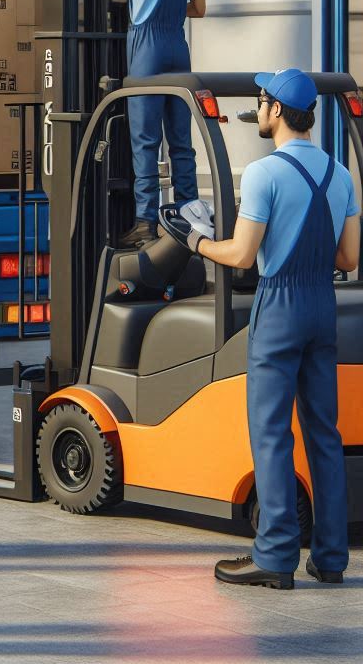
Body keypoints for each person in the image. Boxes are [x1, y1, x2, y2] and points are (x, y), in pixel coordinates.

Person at [187, 69, 358, 588]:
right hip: (320, 306)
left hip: (280, 304)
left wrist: (195, 242)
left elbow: (240, 254)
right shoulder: (339, 173)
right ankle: (331, 558)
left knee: (270, 433)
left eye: (262, 101)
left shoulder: (263, 174)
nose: (259, 109)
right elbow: (349, 257)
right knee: (324, 433)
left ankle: (276, 555)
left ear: (277, 111)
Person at [78, 0, 207, 247]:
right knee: (181, 140)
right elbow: (198, 9)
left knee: (146, 140)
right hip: (177, 47)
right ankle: (189, 213)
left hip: (147, 47)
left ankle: (145, 222)